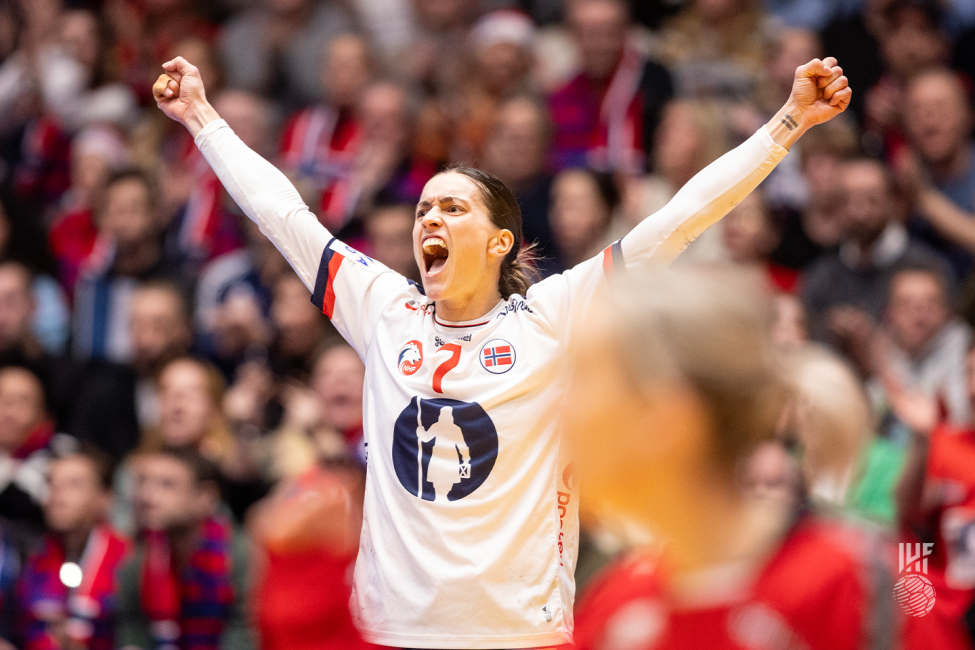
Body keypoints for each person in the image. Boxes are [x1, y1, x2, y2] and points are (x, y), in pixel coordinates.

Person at [153, 52, 850, 648]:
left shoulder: (552, 316)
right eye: (425, 206)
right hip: (389, 629)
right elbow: (282, 216)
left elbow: (680, 220)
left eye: (453, 208)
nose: (430, 216)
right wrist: (202, 118)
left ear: (499, 244)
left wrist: (786, 124)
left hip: (523, 634)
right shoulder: (382, 310)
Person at [561, 268, 895, 650]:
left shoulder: (854, 584)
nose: (560, 409)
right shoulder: (614, 605)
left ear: (665, 419)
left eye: (582, 379)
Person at [802, 157, 953, 369]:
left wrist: (872, 345)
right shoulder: (821, 276)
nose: (860, 212)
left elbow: (948, 351)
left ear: (894, 201)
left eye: (871, 199)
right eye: (849, 200)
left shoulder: (928, 269)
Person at [116, 447, 253, 650]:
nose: (146, 496)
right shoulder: (138, 560)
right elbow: (132, 629)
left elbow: (245, 634)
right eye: (143, 482)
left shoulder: (240, 557)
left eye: (167, 485)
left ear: (206, 497)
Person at [17, 445, 128, 650]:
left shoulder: (127, 562)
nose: (57, 495)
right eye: (51, 483)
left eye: (73, 485)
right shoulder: (30, 556)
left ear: (105, 499)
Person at [548, 0, 673, 174]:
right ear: (573, 36)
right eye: (591, 35)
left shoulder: (654, 82)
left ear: (625, 33)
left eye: (610, 34)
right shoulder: (561, 93)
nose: (601, 44)